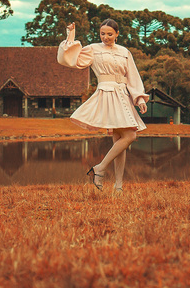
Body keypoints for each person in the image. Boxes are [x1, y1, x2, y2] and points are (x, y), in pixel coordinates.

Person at [58, 19, 149, 192]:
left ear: (117, 34)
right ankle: (100, 168)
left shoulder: (124, 52)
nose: (105, 37)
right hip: (107, 95)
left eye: (109, 34)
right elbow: (70, 59)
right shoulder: (93, 49)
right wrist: (70, 35)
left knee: (120, 141)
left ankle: (118, 186)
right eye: (102, 34)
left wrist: (140, 99)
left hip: (123, 96)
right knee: (130, 136)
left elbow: (133, 76)